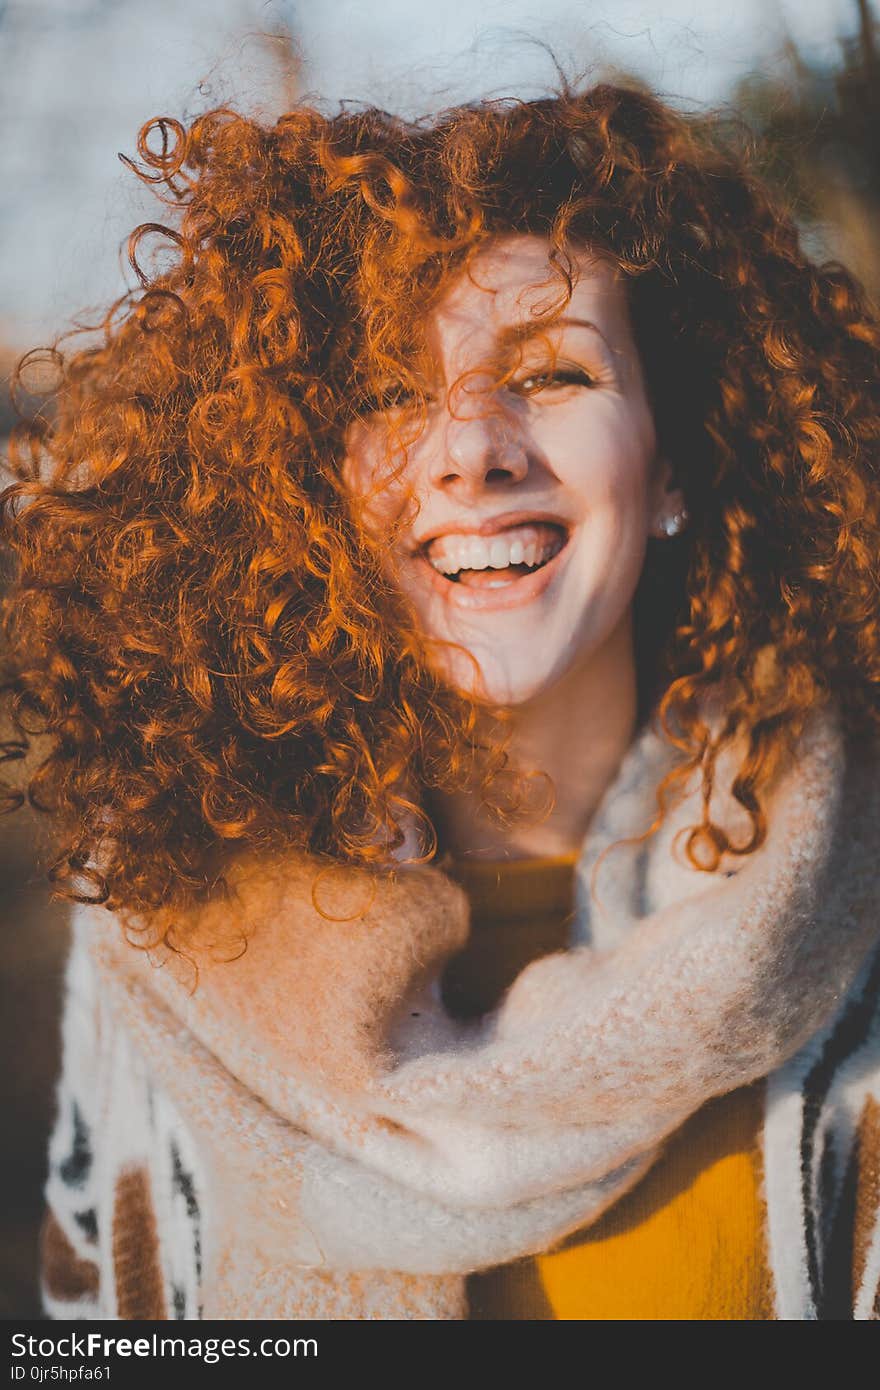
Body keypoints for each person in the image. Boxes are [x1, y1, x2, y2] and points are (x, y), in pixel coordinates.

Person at [3, 79, 880, 1321]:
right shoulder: (169, 929)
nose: (473, 447)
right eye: (390, 390)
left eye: (556, 372)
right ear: (307, 489)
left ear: (674, 454)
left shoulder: (861, 901)